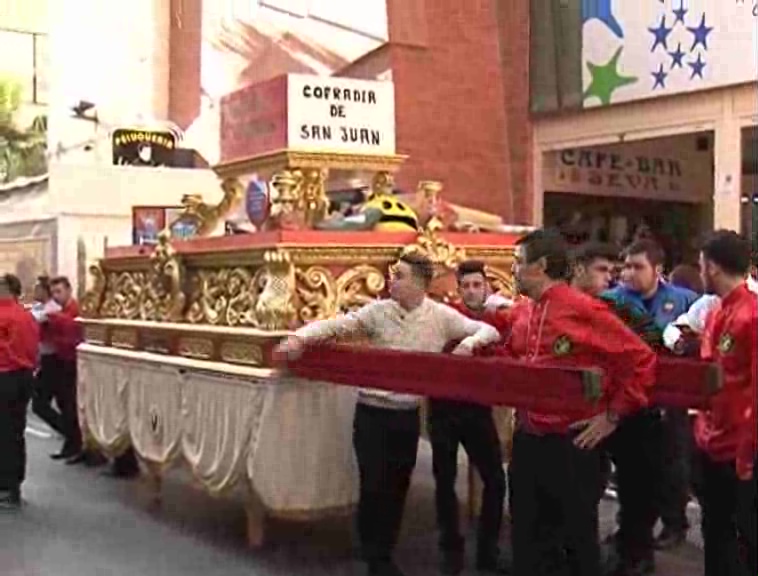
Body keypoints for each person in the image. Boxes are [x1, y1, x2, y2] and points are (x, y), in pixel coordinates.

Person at [276, 252, 501, 576]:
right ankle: (375, 557)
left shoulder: (441, 316)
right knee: (373, 486)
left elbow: (486, 331)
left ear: (420, 283)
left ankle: (384, 552)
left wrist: (469, 344)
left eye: (400, 276)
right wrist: (298, 337)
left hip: (406, 417)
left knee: (398, 486)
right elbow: (337, 326)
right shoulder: (377, 312)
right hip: (371, 415)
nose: (391, 281)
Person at [505, 230, 656, 576]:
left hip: (572, 442)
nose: (512, 271)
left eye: (517, 264)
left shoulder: (582, 308)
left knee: (577, 544)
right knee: (527, 541)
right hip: (528, 439)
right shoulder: (526, 311)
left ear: (540, 266)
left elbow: (640, 359)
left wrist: (613, 416)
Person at [603, 239, 698, 574]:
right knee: (630, 478)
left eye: (637, 266)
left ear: (658, 270)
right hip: (627, 402)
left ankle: (671, 525)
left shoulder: (684, 300)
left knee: (671, 468)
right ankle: (633, 543)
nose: (628, 273)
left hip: (670, 403)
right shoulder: (611, 302)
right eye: (625, 266)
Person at [429, 260, 510, 575]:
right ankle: (450, 548)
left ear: (486, 287)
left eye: (478, 285)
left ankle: (487, 550)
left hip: (477, 409)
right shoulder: (448, 317)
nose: (473, 291)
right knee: (444, 481)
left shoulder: (499, 319)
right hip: (444, 409)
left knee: (494, 480)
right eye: (467, 286)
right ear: (459, 289)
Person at [691, 230, 756, 576]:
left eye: (701, 265)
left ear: (712, 266)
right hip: (710, 442)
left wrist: (747, 452)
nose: (699, 271)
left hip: (742, 447)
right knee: (713, 530)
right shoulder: (715, 313)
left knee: (746, 536)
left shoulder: (752, 315)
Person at [0, 273, 39, 509]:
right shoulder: (26, 316)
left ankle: (5, 487)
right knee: (15, 432)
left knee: (3, 434)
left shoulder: (4, 315)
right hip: (23, 377)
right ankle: (13, 485)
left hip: (4, 376)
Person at [45, 276, 84, 463]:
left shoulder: (75, 310)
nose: (56, 296)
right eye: (53, 293)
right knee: (64, 405)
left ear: (69, 290)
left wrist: (55, 319)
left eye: (59, 291)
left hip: (72, 362)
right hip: (61, 361)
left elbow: (73, 331)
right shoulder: (61, 310)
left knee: (71, 406)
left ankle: (74, 445)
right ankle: (71, 444)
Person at [29, 277, 65, 438]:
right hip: (45, 360)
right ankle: (69, 433)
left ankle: (68, 432)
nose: (34, 291)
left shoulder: (53, 308)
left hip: (55, 360)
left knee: (42, 403)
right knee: (48, 402)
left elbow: (34, 318)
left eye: (37, 288)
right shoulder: (39, 306)